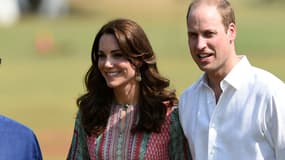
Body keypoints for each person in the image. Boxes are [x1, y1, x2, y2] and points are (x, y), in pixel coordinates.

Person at [67, 18, 191, 159]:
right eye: (102, 56)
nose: (107, 64)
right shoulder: (89, 113)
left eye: (117, 55)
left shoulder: (168, 115)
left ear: (138, 59)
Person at [178, 0, 285, 160]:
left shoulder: (270, 94)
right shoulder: (187, 101)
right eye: (193, 35)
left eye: (209, 34)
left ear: (231, 31)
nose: (200, 45)